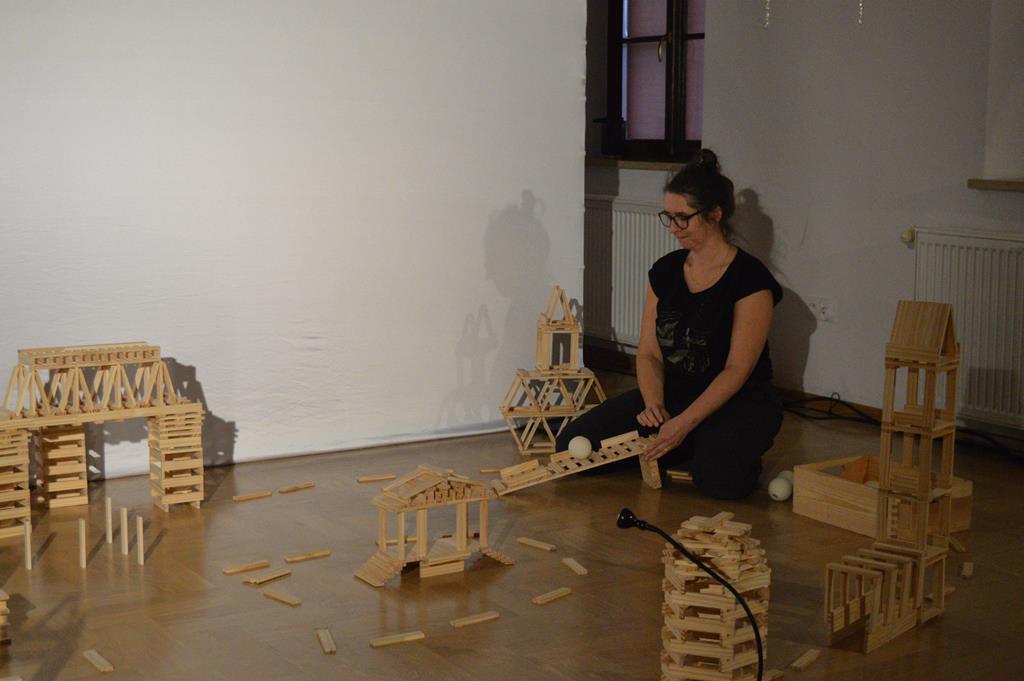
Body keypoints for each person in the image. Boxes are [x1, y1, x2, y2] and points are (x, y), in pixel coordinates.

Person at [557, 149, 783, 499]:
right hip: (675, 395)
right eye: (669, 217)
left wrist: (685, 422)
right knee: (572, 445)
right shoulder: (665, 271)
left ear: (715, 214)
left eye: (683, 218)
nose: (674, 228)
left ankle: (698, 442)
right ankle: (683, 442)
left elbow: (737, 370)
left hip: (735, 401)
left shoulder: (751, 280)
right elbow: (648, 352)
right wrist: (653, 405)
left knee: (721, 483)